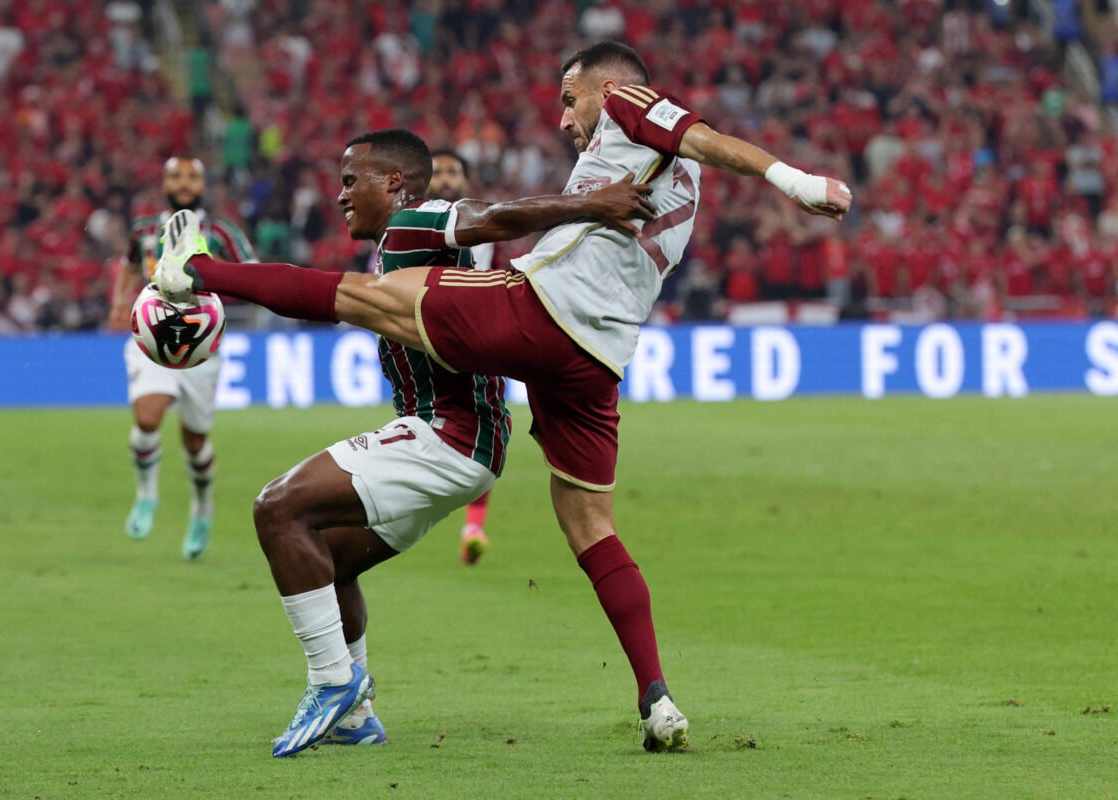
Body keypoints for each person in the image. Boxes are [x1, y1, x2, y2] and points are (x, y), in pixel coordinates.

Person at [154, 42, 852, 751]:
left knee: (362, 298)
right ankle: (656, 697)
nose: (563, 117)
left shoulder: (625, 103)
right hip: (599, 359)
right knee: (590, 524)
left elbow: (701, 135)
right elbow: (687, 155)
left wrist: (797, 182)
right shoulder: (675, 181)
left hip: (544, 312)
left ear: (605, 88)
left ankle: (201, 271)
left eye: (568, 97)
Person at [166, 130, 653, 756]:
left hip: (447, 435)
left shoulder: (413, 225)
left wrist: (205, 272)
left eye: (351, 181)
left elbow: (492, 215)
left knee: (277, 508)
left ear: (394, 183)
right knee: (327, 558)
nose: (340, 195)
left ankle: (333, 683)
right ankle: (354, 717)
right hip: (466, 443)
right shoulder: (405, 244)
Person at [107, 156, 255, 560]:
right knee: (147, 417)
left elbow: (253, 271)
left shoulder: (221, 231)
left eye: (193, 176)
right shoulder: (143, 229)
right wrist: (121, 301)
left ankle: (202, 509)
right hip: (151, 337)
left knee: (194, 442)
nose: (185, 183)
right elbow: (128, 266)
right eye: (177, 176)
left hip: (201, 345)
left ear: (204, 183)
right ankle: (146, 494)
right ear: (164, 181)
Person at [428, 148, 494, 564]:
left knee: (482, 428)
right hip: (423, 337)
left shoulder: (480, 220)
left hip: (472, 335)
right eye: (439, 172)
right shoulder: (409, 222)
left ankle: (474, 525)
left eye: (454, 171)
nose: (447, 178)